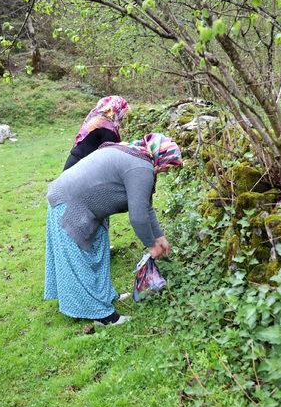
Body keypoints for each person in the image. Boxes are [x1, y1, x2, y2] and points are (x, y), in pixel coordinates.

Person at [44, 133, 183, 325]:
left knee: (97, 254)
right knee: (80, 262)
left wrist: (159, 236)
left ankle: (105, 296)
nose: (165, 171)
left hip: (85, 204)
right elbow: (138, 216)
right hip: (69, 203)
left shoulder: (137, 156)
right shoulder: (141, 167)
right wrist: (151, 245)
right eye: (168, 166)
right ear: (161, 157)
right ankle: (102, 316)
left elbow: (145, 206)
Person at [63, 95, 129, 170]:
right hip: (81, 169)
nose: (123, 116)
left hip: (73, 162)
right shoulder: (108, 129)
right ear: (117, 109)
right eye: (123, 111)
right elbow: (111, 156)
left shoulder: (95, 121)